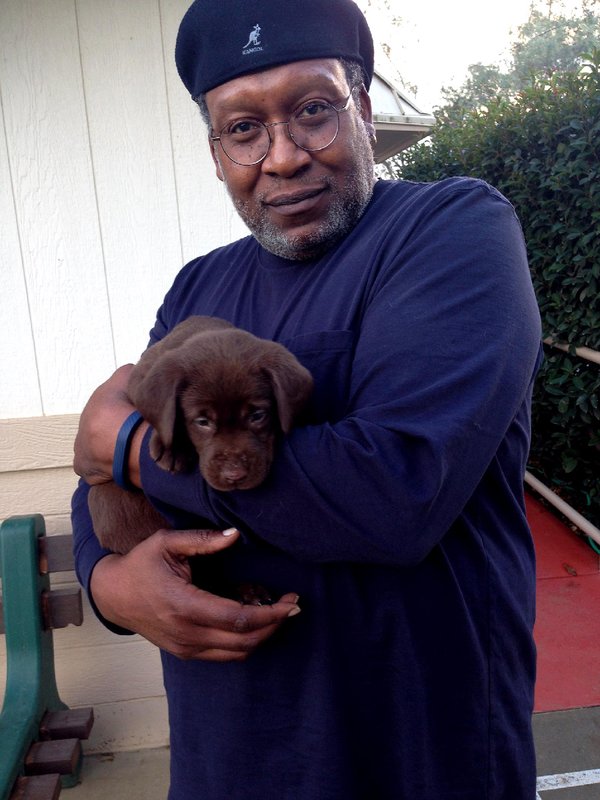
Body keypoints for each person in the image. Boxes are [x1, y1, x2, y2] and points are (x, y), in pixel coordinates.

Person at [72, 0, 543, 797]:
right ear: (216, 150)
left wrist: (123, 444)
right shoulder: (199, 286)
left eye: (313, 110)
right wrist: (106, 581)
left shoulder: (451, 230)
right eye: (244, 129)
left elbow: (397, 487)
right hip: (230, 746)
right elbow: (103, 484)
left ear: (361, 109)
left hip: (416, 743)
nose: (283, 156)